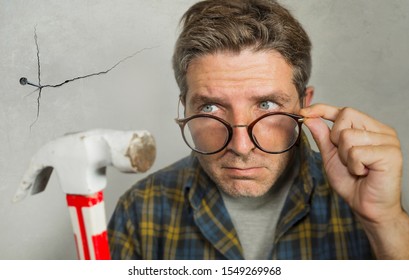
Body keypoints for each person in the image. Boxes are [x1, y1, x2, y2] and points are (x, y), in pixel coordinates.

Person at [108, 0, 409, 259]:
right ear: (184, 109)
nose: (240, 146)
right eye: (210, 107)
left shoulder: (362, 200)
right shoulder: (140, 210)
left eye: (266, 104)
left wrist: (386, 222)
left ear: (305, 105)